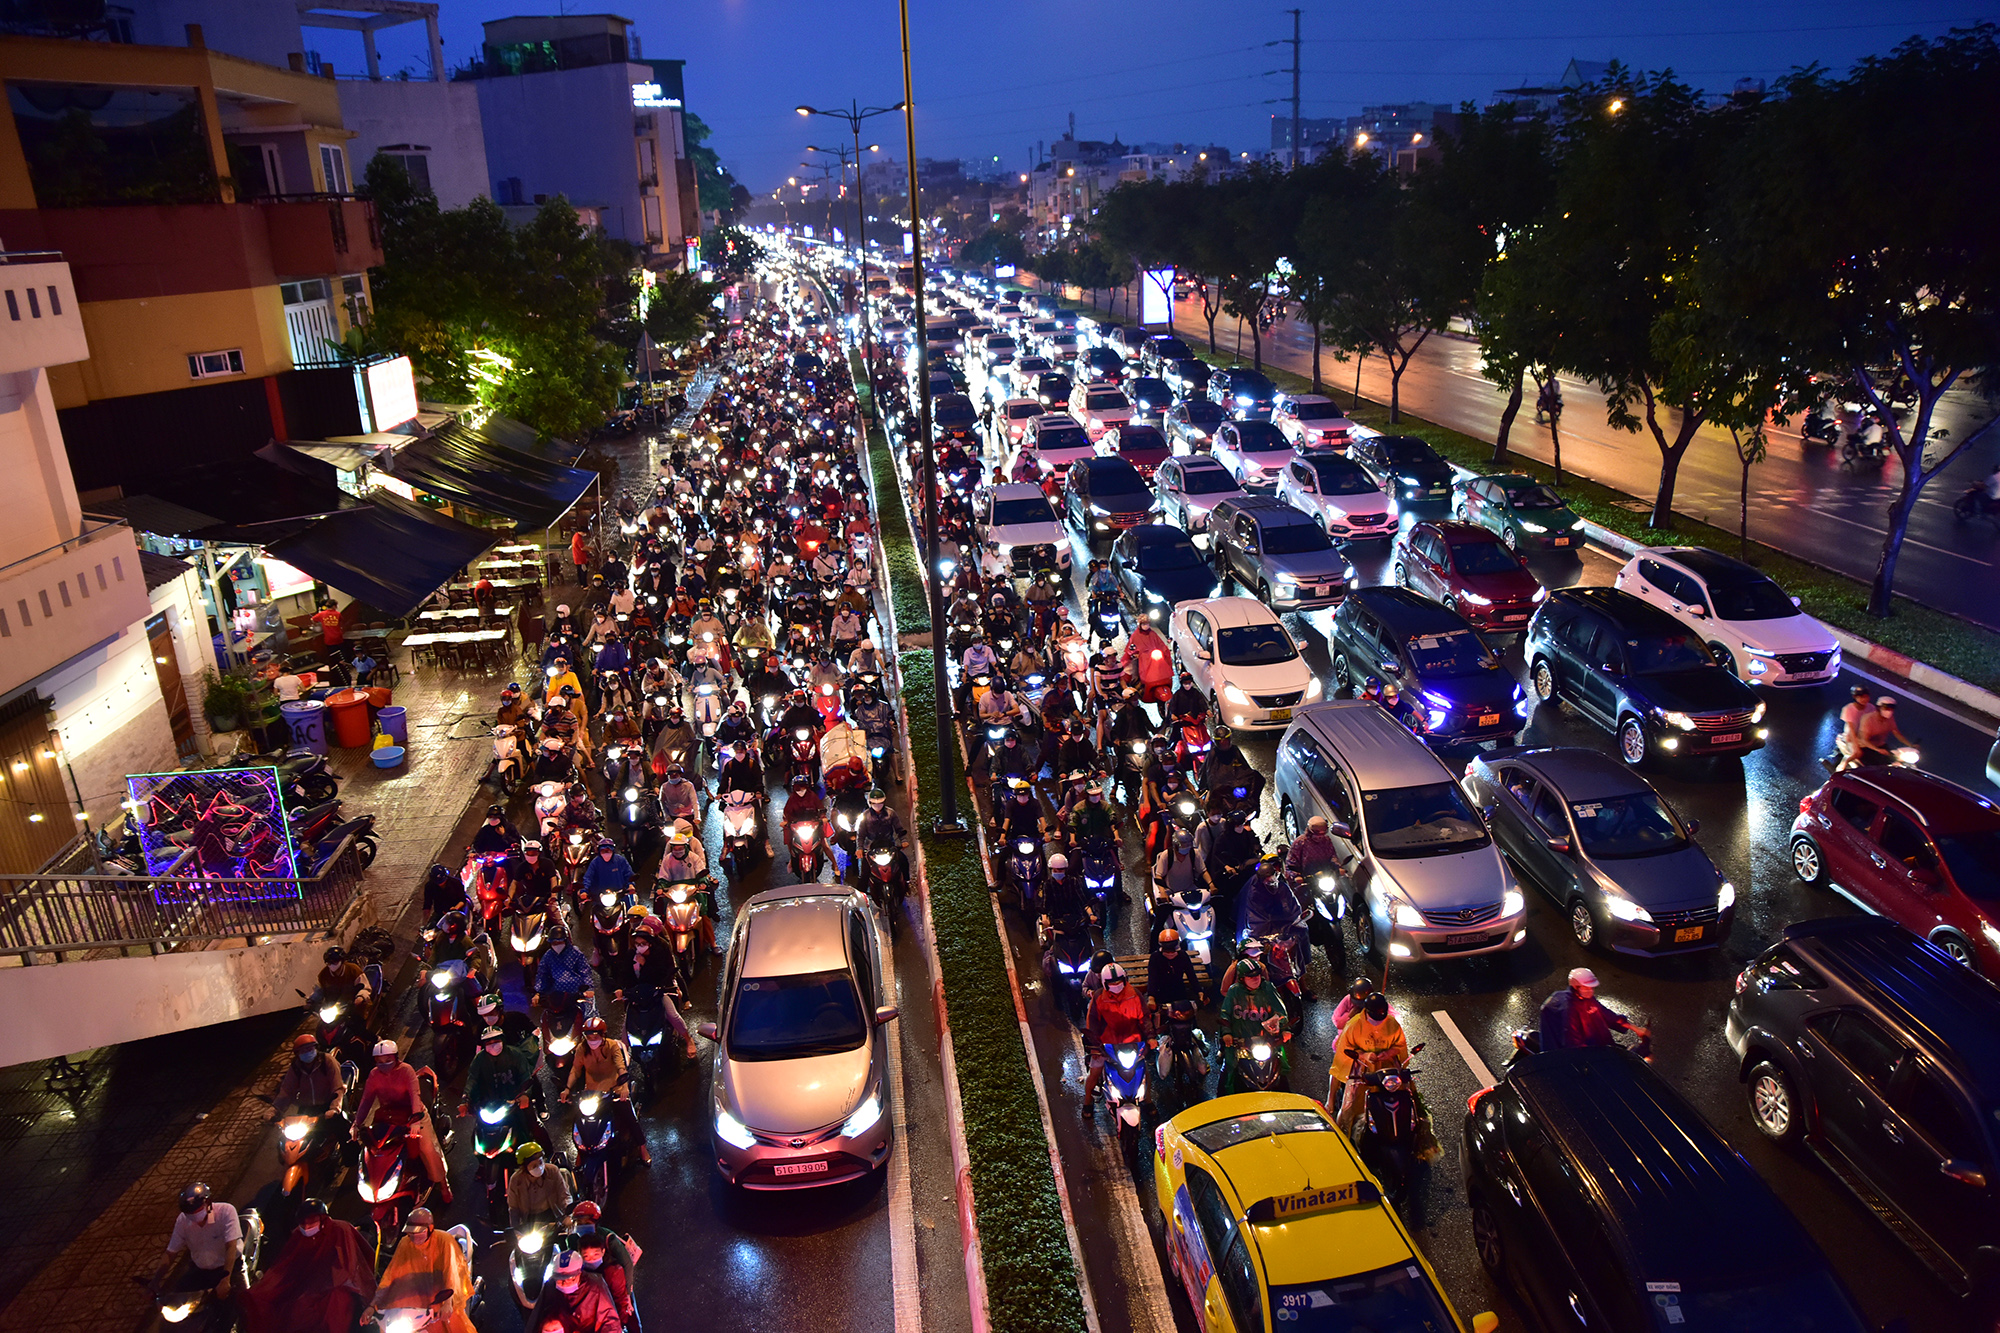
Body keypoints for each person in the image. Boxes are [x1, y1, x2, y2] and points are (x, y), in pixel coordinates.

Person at [236, 1198, 372, 1333]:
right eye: (303, 1225)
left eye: (311, 1224)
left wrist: (321, 1289)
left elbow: (347, 1265)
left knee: (333, 1307)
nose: (307, 1228)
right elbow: (286, 1264)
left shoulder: (340, 1229)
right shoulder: (298, 1234)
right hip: (307, 1284)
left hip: (336, 1284)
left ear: (323, 1219)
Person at [352, 1040, 451, 1203]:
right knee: (376, 1148)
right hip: (389, 1116)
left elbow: (415, 1096)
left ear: (396, 1058)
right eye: (380, 1061)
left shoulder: (406, 1071)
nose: (384, 1064)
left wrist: (415, 1120)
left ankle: (443, 1184)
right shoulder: (374, 1075)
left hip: (413, 1115)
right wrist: (356, 1123)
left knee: (428, 1149)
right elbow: (366, 1101)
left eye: (388, 1060)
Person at [362, 1209, 476, 1333]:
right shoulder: (405, 1243)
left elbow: (450, 1273)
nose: (414, 1237)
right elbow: (390, 1276)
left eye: (418, 1233)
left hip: (440, 1298)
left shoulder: (444, 1241)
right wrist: (373, 1306)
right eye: (411, 1233)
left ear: (430, 1228)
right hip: (413, 1306)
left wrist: (447, 1302)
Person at [563, 1016, 651, 1166]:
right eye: (588, 1036)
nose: (592, 1040)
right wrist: (567, 1088)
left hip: (613, 1090)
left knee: (630, 1117)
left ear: (603, 1035)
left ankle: (642, 1148)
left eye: (595, 1036)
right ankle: (580, 1152)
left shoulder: (612, 1046)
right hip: (591, 1094)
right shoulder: (581, 1049)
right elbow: (575, 1070)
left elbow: (620, 1067)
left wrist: (623, 1087)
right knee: (579, 1121)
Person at [150, 1181, 245, 1303]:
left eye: (197, 1210)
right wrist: (155, 1281)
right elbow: (171, 1253)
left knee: (244, 1303)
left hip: (230, 1269)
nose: (194, 1215)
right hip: (201, 1272)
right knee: (174, 1301)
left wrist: (225, 1280)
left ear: (208, 1203)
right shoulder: (183, 1221)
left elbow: (231, 1246)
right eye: (189, 1213)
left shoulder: (226, 1211)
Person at [1330, 991, 1409, 1131]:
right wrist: (1364, 1055)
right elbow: (1345, 1050)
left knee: (1407, 1095)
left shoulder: (1392, 1023)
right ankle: (1344, 1132)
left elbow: (1400, 1045)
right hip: (1362, 1070)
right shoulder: (1354, 1025)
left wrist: (1388, 1053)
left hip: (1387, 1068)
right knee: (1350, 1105)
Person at [1080, 962, 1152, 1110]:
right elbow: (1092, 1021)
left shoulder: (1135, 995)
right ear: (1104, 984)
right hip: (1107, 1045)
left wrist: (1150, 1037)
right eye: (1112, 983)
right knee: (1095, 1072)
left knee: (1144, 1073)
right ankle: (1087, 1100)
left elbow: (1144, 1018)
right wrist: (1094, 1044)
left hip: (1133, 1043)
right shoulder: (1099, 997)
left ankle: (1148, 1100)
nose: (1116, 985)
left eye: (1119, 982)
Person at [1537, 967, 1648, 1054]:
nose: (1590, 990)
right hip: (1584, 1054)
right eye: (1586, 987)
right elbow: (1573, 1043)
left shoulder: (1587, 998)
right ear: (1576, 987)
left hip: (1600, 1046)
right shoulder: (1568, 1010)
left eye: (1592, 987)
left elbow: (1606, 1014)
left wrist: (1635, 1028)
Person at [1218, 960, 1289, 1094]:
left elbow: (1281, 1012)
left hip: (1266, 1040)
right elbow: (1225, 1014)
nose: (1255, 979)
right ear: (1242, 978)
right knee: (1229, 1071)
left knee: (1281, 1068)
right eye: (1251, 976)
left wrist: (1285, 1029)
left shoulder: (1268, 988)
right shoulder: (1234, 991)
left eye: (1257, 975)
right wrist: (1227, 1033)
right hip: (1241, 1042)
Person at [271, 1034, 348, 1141]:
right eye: (303, 1051)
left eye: (309, 1048)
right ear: (297, 1054)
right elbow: (286, 1091)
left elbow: (337, 1088)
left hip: (329, 1105)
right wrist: (274, 1110)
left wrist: (334, 1108)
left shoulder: (327, 1061)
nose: (307, 1052)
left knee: (345, 1134)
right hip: (308, 1109)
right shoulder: (296, 1067)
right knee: (290, 1141)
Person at [530, 1250, 623, 1333]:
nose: (564, 1283)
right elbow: (537, 1318)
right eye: (559, 1279)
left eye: (570, 1278)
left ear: (580, 1273)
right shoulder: (551, 1285)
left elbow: (610, 1323)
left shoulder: (595, 1286)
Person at [506, 1142, 571, 1229]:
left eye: (540, 1163)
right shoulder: (516, 1180)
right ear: (524, 1167)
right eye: (534, 1166)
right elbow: (513, 1209)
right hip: (529, 1222)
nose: (539, 1167)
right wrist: (515, 1230)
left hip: (552, 1217)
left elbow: (564, 1195)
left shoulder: (553, 1171)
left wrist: (568, 1215)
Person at [533, 923, 595, 1013]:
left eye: (559, 942)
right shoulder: (548, 956)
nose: (557, 945)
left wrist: (589, 988)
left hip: (577, 993)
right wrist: (538, 993)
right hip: (556, 996)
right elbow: (542, 975)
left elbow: (585, 972)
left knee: (589, 1018)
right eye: (554, 943)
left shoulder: (576, 954)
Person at [1856, 695, 1914, 766]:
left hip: (1880, 746)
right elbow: (1864, 740)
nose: (1889, 711)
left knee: (1894, 760)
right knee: (1878, 765)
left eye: (1891, 709)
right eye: (1886, 708)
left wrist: (1910, 745)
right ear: (1878, 707)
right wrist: (1877, 750)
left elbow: (1896, 733)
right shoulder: (1868, 719)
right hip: (1865, 747)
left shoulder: (1890, 719)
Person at [1833, 684, 1875, 770]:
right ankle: (1842, 765)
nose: (1864, 699)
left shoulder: (1871, 708)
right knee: (1857, 754)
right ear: (1855, 697)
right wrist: (1856, 747)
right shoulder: (1848, 709)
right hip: (1851, 737)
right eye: (1860, 697)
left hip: (1863, 736)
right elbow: (1851, 729)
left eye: (1865, 696)